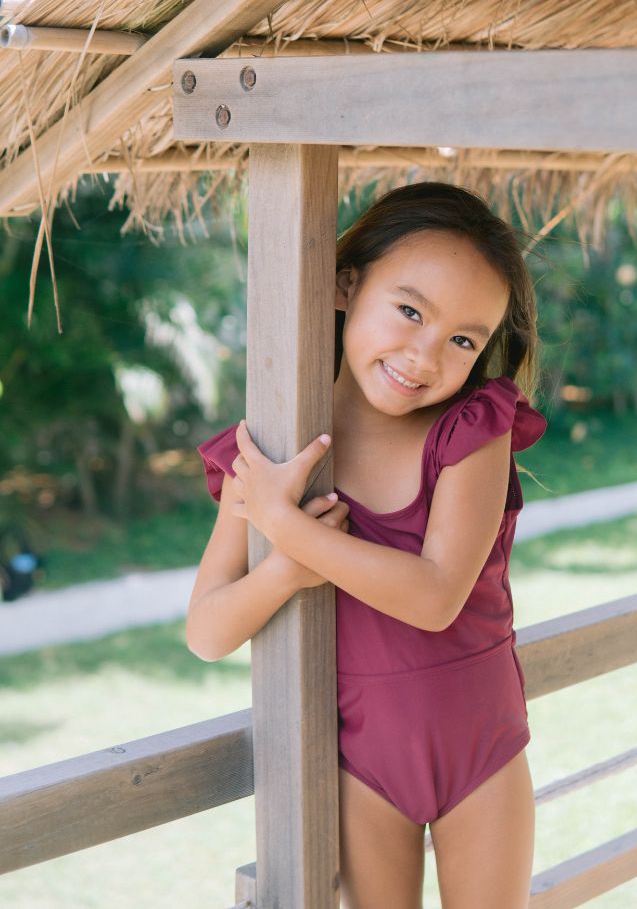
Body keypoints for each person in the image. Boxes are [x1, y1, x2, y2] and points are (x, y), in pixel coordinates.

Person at [189, 181, 547, 909]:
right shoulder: (267, 455)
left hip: (483, 748)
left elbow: (436, 594)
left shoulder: (471, 430)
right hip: (361, 767)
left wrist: (288, 528)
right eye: (410, 311)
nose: (424, 355)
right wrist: (284, 571)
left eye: (462, 340)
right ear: (347, 283)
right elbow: (206, 630)